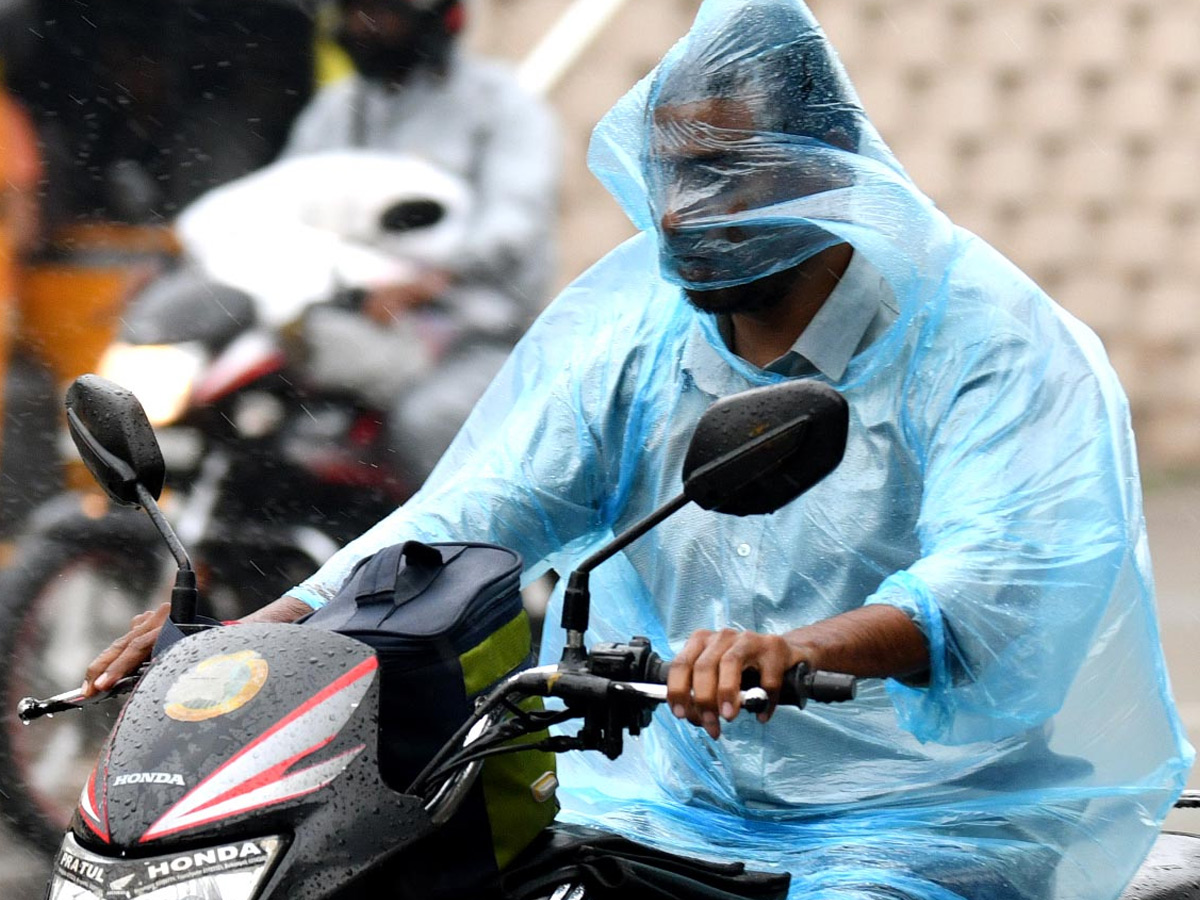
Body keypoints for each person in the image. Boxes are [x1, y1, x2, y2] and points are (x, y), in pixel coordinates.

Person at [85, 2, 1193, 899]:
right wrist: (256, 637)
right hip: (664, 801)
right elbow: (486, 505)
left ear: (829, 165)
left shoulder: (989, 342)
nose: (682, 212)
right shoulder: (643, 333)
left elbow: (997, 582)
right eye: (670, 174)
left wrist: (788, 648)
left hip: (924, 820)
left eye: (725, 173)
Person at [272, 0, 559, 479]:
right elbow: (278, 203)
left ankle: (452, 552)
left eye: (381, 13)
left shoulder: (502, 105)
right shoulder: (334, 111)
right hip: (352, 332)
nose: (363, 26)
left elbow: (515, 222)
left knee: (426, 424)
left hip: (473, 344)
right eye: (352, 12)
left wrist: (431, 277)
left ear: (435, 18)